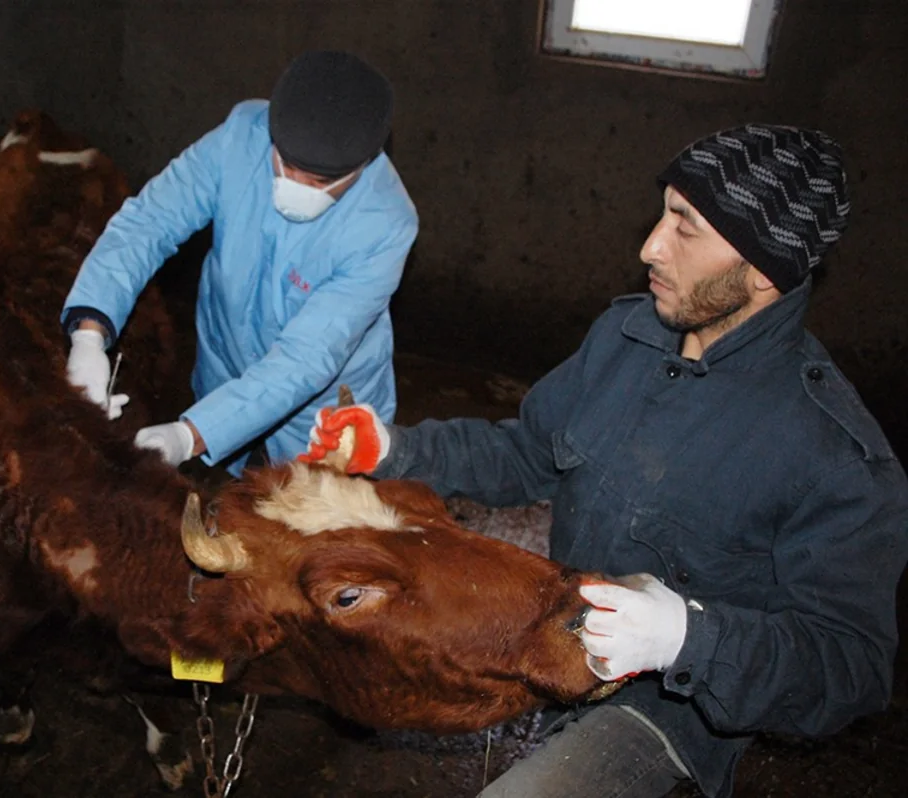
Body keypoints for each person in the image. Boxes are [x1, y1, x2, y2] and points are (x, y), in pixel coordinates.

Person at [300, 124, 908, 798]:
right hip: (555, 624)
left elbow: (850, 668)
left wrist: (685, 638)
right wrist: (394, 447)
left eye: (686, 226)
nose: (651, 245)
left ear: (763, 269)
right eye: (664, 212)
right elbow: (527, 452)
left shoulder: (837, 457)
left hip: (663, 707)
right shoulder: (628, 335)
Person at [62, 50, 418, 474]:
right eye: (285, 163)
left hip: (321, 411)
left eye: (320, 181)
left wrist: (191, 434)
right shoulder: (240, 138)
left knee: (315, 516)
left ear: (362, 167)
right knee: (217, 499)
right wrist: (90, 332)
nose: (295, 185)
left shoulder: (384, 224)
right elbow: (149, 222)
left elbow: (306, 359)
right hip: (225, 364)